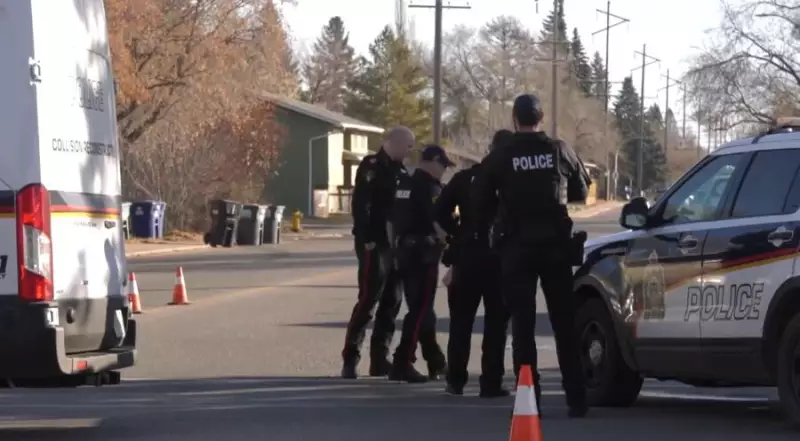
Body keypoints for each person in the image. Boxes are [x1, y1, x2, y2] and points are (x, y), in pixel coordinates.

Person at [471, 94, 592, 418]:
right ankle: (576, 399)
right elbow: (581, 190)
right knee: (564, 324)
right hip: (554, 247)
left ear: (515, 119)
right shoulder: (559, 149)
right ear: (541, 118)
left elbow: (479, 198)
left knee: (522, 327)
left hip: (516, 248)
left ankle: (530, 399)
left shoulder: (503, 154)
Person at [435, 130, 514, 397]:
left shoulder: (465, 178)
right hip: (499, 258)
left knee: (461, 321)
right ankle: (491, 381)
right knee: (496, 323)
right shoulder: (512, 181)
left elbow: (440, 212)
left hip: (467, 255)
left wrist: (457, 232)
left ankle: (455, 379)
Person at [341, 126, 414, 379]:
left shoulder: (403, 171)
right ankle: (350, 358)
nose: (410, 150)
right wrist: (367, 240)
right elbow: (361, 205)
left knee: (392, 301)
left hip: (395, 247)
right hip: (375, 244)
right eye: (407, 145)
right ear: (392, 142)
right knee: (369, 298)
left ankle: (379, 359)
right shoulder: (372, 166)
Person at [388, 145, 453, 383]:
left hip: (404, 252)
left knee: (423, 311)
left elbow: (392, 219)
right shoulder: (430, 188)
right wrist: (453, 249)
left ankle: (436, 361)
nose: (444, 171)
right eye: (443, 166)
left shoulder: (404, 184)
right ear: (434, 161)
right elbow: (439, 224)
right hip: (423, 255)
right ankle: (402, 362)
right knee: (420, 311)